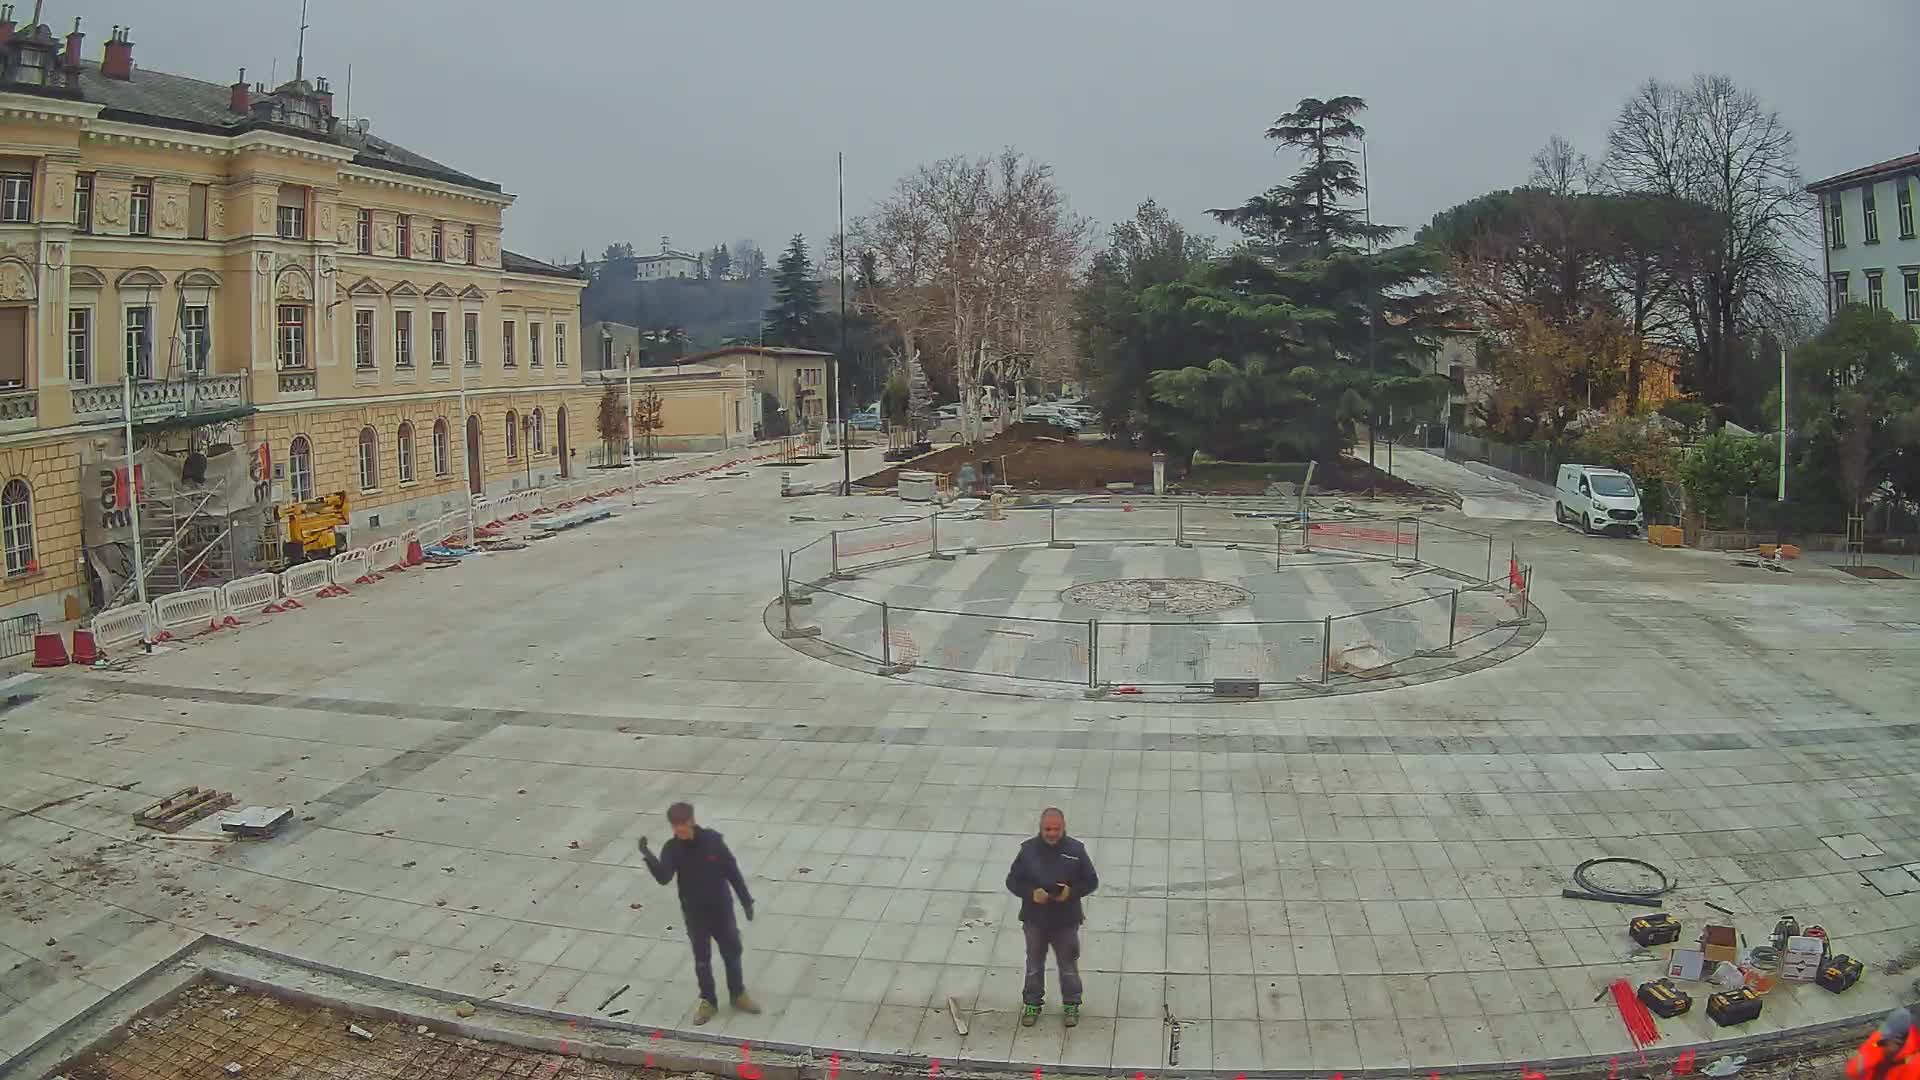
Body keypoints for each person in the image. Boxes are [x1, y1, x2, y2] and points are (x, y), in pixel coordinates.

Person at [639, 801, 760, 1025]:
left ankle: (738, 994)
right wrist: (648, 855)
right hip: (696, 915)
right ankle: (708, 1001)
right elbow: (664, 877)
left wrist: (746, 901)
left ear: (691, 821)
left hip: (721, 910)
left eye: (682, 825)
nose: (679, 830)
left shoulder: (713, 842)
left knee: (732, 954)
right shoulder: (672, 849)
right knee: (702, 960)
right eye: (675, 826)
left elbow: (732, 871)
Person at [1005, 807, 1098, 1028]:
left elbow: (1091, 881)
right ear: (1040, 828)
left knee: (1068, 966)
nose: (1052, 833)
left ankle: (1071, 1005)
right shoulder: (1027, 851)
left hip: (1066, 920)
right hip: (1035, 919)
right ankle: (1032, 1004)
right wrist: (1031, 893)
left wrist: (1071, 892)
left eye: (1056, 829)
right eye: (1048, 829)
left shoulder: (1076, 850)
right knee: (1034, 964)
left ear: (1063, 828)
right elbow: (1012, 881)